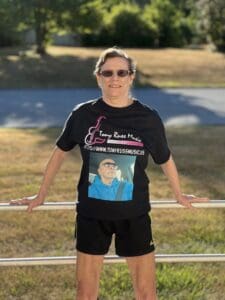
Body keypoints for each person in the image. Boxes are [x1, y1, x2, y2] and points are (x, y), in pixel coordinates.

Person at [10, 47, 208, 300]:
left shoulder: (147, 118)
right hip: (91, 215)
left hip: (134, 214)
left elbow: (165, 158)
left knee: (147, 293)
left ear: (131, 77)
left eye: (121, 72)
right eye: (108, 72)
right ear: (98, 77)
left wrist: (179, 194)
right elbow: (59, 152)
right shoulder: (83, 114)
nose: (115, 78)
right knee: (85, 292)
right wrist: (41, 195)